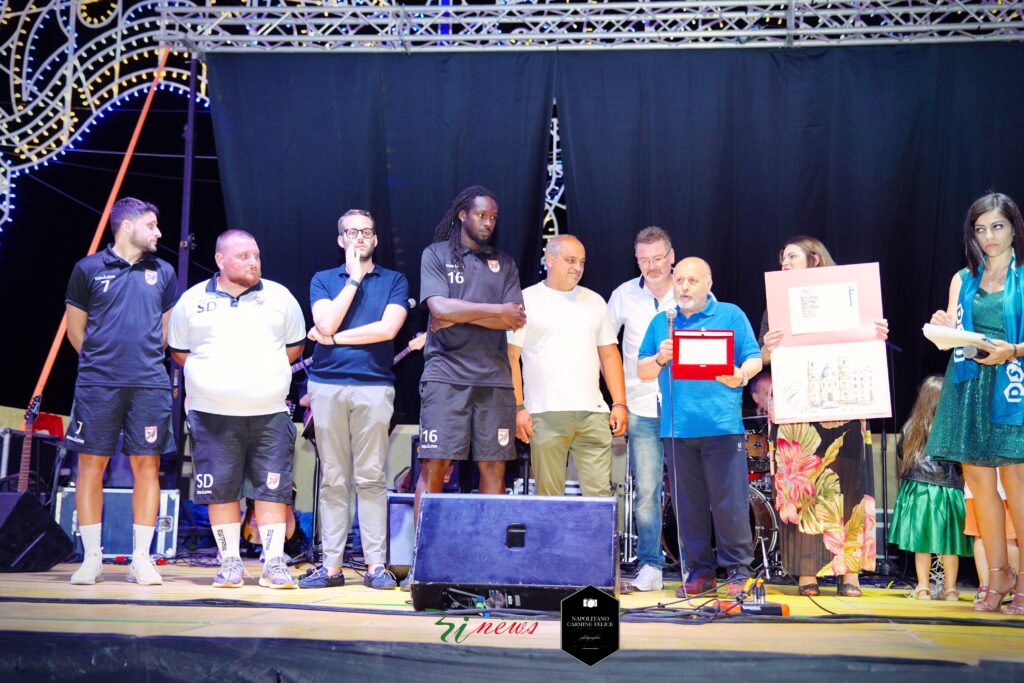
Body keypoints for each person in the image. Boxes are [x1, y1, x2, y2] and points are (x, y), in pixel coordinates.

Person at [168, 229, 306, 589]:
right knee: (222, 490)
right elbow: (179, 351)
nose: (253, 262)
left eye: (256, 255)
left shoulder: (280, 297)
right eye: (243, 256)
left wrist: (261, 378)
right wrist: (213, 380)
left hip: (269, 413)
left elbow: (294, 347)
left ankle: (274, 563)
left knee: (272, 489)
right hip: (211, 415)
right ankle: (230, 562)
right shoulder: (191, 300)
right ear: (220, 260)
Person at [409, 186, 526, 590]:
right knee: (435, 465)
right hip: (446, 375)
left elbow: (514, 319)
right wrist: (494, 311)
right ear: (462, 215)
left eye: (493, 217)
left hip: (494, 379)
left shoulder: (504, 262)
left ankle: (489, 566)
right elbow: (438, 309)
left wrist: (460, 314)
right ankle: (424, 563)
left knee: (493, 467)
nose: (488, 223)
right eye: (481, 215)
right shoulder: (436, 254)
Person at [760, 236, 887, 597]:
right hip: (797, 412)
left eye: (792, 256)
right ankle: (806, 574)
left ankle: (850, 574)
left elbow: (865, 344)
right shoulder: (777, 306)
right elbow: (763, 359)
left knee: (848, 485)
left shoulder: (849, 298)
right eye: (782, 258)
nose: (784, 263)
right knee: (801, 490)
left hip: (843, 407)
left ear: (814, 260)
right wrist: (767, 348)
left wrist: (875, 333)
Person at [64, 197, 177, 586]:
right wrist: (103, 366)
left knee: (147, 466)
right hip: (97, 385)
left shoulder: (163, 271)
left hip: (149, 384)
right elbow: (75, 331)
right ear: (127, 226)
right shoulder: (88, 268)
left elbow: (165, 332)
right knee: (90, 465)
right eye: (151, 225)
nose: (158, 232)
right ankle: (91, 558)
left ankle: (141, 559)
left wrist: (141, 362)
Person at [638, 257, 762, 597]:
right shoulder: (662, 323)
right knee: (688, 506)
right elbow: (642, 370)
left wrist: (741, 374)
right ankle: (700, 572)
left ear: (708, 284)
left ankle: (738, 571)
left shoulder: (731, 315)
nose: (684, 287)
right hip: (677, 430)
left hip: (722, 427)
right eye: (679, 280)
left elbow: (754, 358)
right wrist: (660, 358)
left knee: (730, 503)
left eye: (692, 281)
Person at [924, 192, 1024, 615]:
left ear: (1014, 227)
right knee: (980, 484)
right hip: (969, 384)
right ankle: (998, 573)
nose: (989, 237)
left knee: (1017, 481)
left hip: (1012, 382)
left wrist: (1013, 351)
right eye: (980, 229)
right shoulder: (963, 277)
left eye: (997, 226)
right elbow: (954, 327)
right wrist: (944, 323)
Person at [300, 209, 409, 590]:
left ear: (375, 239)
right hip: (326, 385)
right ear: (340, 239)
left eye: (366, 232)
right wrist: (354, 280)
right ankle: (330, 567)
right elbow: (325, 321)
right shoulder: (323, 279)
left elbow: (387, 330)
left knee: (371, 477)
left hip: (374, 386)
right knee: (333, 479)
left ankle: (376, 565)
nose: (359, 237)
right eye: (351, 232)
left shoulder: (394, 280)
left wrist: (331, 339)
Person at [508, 235, 627, 501]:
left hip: (593, 413)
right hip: (545, 412)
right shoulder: (525, 300)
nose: (578, 267)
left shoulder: (595, 301)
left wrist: (619, 403)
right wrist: (518, 407)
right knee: (549, 498)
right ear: (550, 260)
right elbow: (510, 357)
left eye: (582, 262)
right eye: (571, 260)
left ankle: (597, 533)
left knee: (600, 498)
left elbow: (609, 354)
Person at [607, 226, 677, 592]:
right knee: (647, 491)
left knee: (690, 491)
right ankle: (651, 565)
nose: (651, 267)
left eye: (657, 259)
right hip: (640, 404)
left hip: (684, 406)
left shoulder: (691, 290)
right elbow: (604, 346)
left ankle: (697, 566)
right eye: (643, 260)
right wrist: (616, 399)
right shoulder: (623, 295)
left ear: (671, 256)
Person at [888, 375, 971, 600]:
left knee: (921, 542)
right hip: (947, 490)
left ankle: (923, 587)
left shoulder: (911, 426)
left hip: (918, 490)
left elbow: (901, 452)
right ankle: (950, 590)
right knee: (949, 544)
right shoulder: (954, 428)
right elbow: (961, 462)